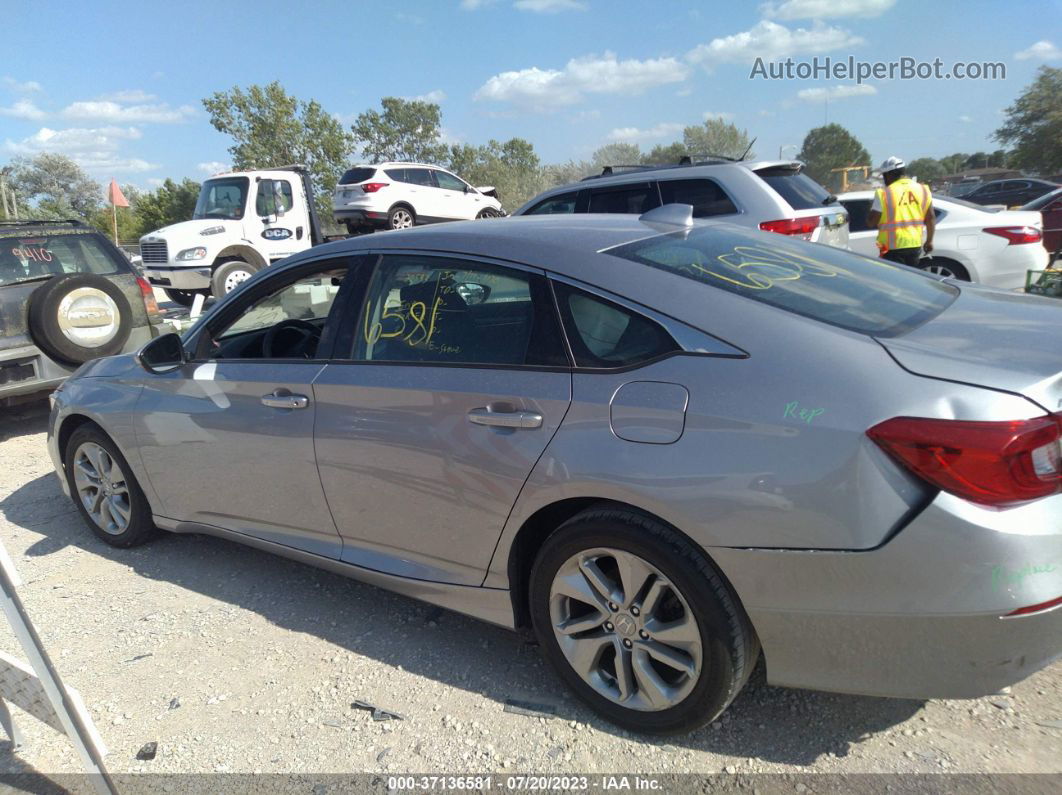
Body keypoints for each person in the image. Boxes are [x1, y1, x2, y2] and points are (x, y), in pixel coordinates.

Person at [866, 156, 935, 268]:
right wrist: (929, 241)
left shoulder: (884, 193)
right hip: (914, 245)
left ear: (888, 175)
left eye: (884, 176)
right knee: (909, 281)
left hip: (891, 248)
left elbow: (871, 222)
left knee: (894, 283)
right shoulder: (923, 189)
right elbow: (931, 217)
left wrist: (869, 210)